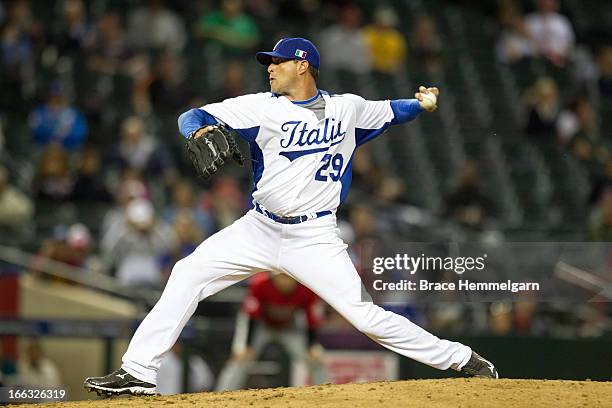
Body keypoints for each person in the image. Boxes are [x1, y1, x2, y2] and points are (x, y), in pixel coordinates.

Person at [84, 37, 498, 396]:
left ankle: (463, 360)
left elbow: (390, 110)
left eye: (277, 62)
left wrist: (421, 103)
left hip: (315, 236)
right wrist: (197, 132)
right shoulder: (260, 108)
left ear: (303, 65)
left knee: (366, 317)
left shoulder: (348, 109)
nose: (270, 69)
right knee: (188, 273)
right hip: (259, 227)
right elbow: (191, 115)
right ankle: (138, 372)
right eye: (269, 63)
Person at [215, 272, 326, 390]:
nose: (285, 281)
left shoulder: (307, 287)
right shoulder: (260, 282)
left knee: (314, 358)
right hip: (260, 325)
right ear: (273, 275)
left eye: (288, 277)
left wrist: (311, 345)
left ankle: (327, 393)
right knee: (240, 356)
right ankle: (221, 393)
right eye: (281, 276)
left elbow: (311, 319)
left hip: (289, 326)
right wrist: (246, 345)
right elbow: (251, 316)